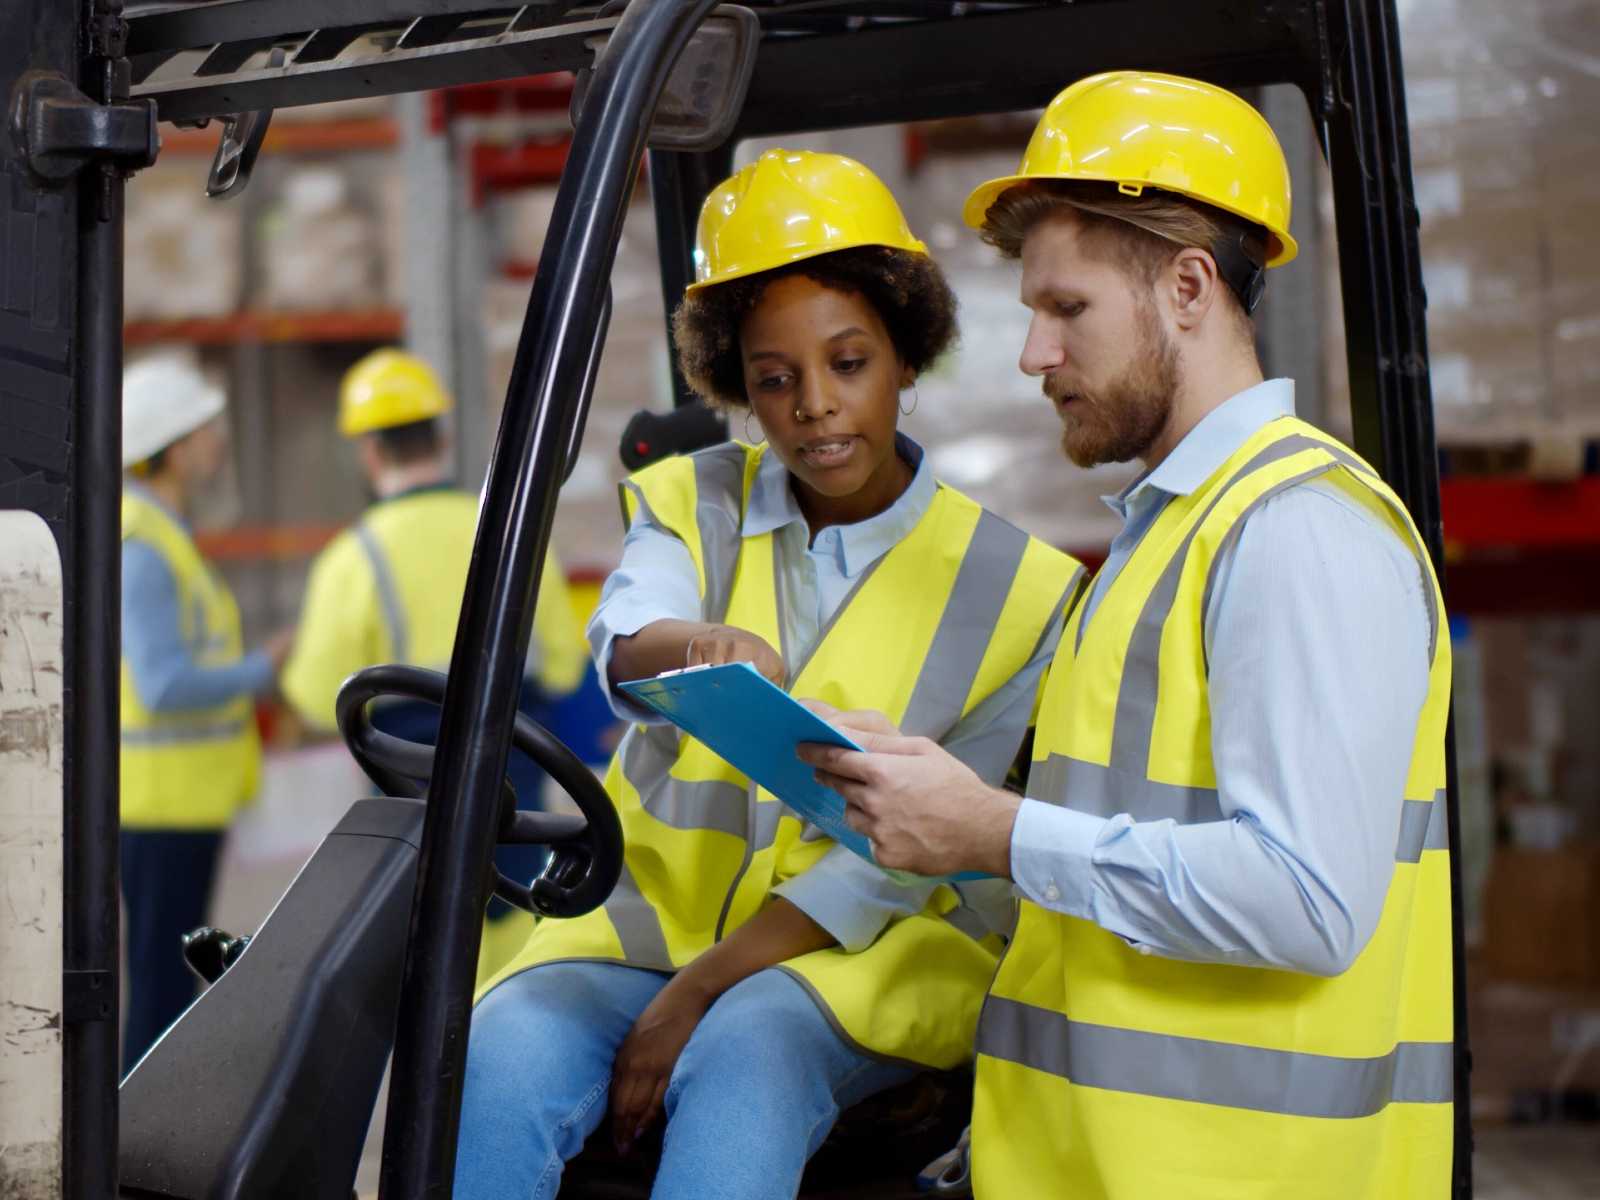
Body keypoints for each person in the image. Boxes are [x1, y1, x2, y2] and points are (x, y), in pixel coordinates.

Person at [801, 72, 1454, 1199]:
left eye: (1067, 309)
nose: (1032, 354)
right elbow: (1107, 879)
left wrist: (993, 831)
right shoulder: (1165, 537)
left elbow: (1306, 901)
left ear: (1188, 287)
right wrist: (934, 806)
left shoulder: (1296, 530)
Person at [453, 148, 1085, 1199]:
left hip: (868, 948)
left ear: (905, 357)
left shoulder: (1017, 593)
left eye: (849, 364)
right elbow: (626, 630)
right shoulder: (690, 501)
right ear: (736, 384)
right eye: (773, 379)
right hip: (647, 928)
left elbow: (903, 860)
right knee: (501, 1051)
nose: (813, 409)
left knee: (748, 1052)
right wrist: (700, 647)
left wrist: (693, 995)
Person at [279, 347, 587, 977]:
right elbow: (561, 667)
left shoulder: (353, 557)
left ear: (368, 452)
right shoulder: (512, 531)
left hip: (410, 804)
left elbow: (315, 695)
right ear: (442, 436)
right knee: (518, 956)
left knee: (431, 963)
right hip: (513, 787)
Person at [120, 352, 289, 1073]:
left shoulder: (164, 535)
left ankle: (142, 1141)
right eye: (206, 430)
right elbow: (160, 686)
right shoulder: (145, 550)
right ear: (172, 448)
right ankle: (129, 1150)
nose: (218, 442)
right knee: (159, 993)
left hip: (182, 805)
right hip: (161, 809)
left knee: (169, 987)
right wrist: (262, 671)